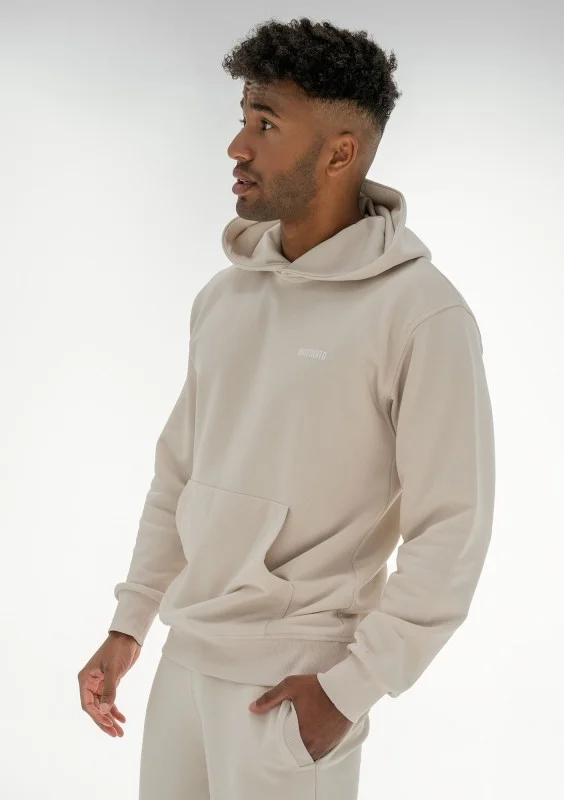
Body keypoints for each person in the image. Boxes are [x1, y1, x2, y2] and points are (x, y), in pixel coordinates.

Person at [77, 16, 496, 800]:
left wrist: (350, 689)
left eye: (266, 125)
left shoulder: (422, 315)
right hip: (184, 661)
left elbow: (453, 527)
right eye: (243, 119)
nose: (237, 147)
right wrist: (130, 623)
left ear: (340, 153)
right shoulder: (224, 297)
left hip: (293, 682)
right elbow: (179, 474)